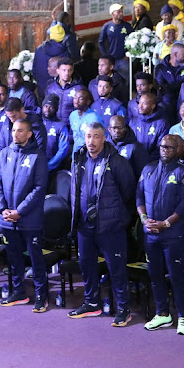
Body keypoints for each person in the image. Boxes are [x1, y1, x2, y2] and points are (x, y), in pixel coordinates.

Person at [68, 123, 136, 326]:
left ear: (104, 138)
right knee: (86, 266)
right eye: (88, 136)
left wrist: (116, 216)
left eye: (96, 136)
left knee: (116, 269)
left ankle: (124, 308)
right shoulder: (78, 159)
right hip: (84, 226)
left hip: (110, 226)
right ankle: (92, 303)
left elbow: (128, 192)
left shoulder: (117, 162)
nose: (91, 141)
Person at [136, 135, 184, 334]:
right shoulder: (148, 169)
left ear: (178, 149)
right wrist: (144, 219)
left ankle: (183, 316)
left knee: (176, 276)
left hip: (173, 235)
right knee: (155, 276)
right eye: (163, 146)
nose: (165, 150)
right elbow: (139, 196)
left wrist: (166, 223)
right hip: (151, 233)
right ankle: (163, 314)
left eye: (170, 147)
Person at [0, 119, 49, 312]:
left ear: (29, 134)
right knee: (14, 258)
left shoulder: (38, 156)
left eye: (20, 131)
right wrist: (3, 209)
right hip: (8, 218)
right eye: (14, 130)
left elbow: (39, 188)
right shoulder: (4, 154)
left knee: (35, 259)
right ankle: (19, 292)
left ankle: (42, 295)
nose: (16, 134)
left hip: (30, 219)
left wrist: (20, 211)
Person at [33, 24, 73, 95]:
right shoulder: (66, 54)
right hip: (59, 92)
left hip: (42, 88)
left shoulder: (39, 50)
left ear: (50, 35)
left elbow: (35, 71)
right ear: (63, 36)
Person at [129, 92, 170, 160]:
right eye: (139, 103)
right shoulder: (133, 121)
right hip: (134, 162)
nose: (140, 106)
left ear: (153, 106)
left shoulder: (162, 123)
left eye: (144, 103)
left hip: (152, 163)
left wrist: (148, 161)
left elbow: (160, 147)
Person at [107, 115, 148, 180]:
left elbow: (141, 174)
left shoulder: (135, 147)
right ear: (109, 129)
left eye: (120, 127)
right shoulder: (105, 146)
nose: (117, 131)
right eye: (114, 128)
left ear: (125, 128)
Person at [98, 3, 133, 79]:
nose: (121, 14)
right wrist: (105, 56)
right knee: (110, 80)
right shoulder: (107, 26)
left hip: (123, 59)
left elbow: (133, 41)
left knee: (125, 80)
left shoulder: (127, 26)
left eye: (121, 11)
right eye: (118, 12)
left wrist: (128, 55)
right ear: (112, 14)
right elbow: (101, 42)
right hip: (111, 60)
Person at [44, 58, 83, 123]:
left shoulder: (79, 89)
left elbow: (82, 110)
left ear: (72, 70)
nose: (66, 73)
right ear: (58, 71)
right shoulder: (50, 88)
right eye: (63, 70)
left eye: (69, 70)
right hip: (54, 126)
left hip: (72, 127)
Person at [41, 94, 71, 174]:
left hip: (53, 168)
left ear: (56, 109)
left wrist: (49, 166)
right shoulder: (37, 122)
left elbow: (63, 150)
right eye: (46, 106)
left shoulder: (61, 126)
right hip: (37, 165)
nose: (48, 109)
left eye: (51, 107)